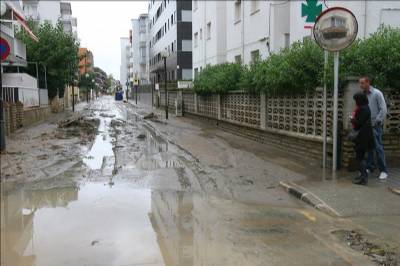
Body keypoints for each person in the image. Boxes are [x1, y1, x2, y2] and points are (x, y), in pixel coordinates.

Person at [359, 76, 388, 180]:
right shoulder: (363, 95)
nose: (360, 85)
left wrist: (376, 122)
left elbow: (383, 109)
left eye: (362, 83)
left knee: (378, 148)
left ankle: (384, 171)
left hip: (375, 125)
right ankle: (370, 167)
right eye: (360, 83)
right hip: (366, 125)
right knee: (369, 148)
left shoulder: (377, 93)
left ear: (368, 83)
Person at [351, 92, 374, 185]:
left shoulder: (363, 109)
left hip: (362, 136)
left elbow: (359, 123)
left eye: (356, 100)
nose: (355, 102)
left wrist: (352, 119)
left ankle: (364, 178)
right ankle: (362, 176)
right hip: (366, 135)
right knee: (360, 156)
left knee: (360, 157)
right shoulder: (366, 108)